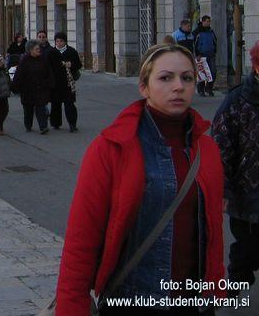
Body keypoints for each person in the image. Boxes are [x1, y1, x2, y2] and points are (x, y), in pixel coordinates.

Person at [55, 43, 224, 315]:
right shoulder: (112, 148)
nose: (178, 86)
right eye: (165, 78)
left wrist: (217, 292)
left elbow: (212, 234)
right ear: (144, 87)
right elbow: (81, 241)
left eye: (187, 78)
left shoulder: (207, 149)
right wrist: (71, 307)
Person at [211, 41, 259, 295]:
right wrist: (223, 190)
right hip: (248, 195)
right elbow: (220, 149)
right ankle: (236, 284)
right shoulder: (237, 101)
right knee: (246, 251)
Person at [11, 40, 54, 133]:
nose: (39, 50)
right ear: (30, 50)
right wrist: (15, 87)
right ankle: (28, 125)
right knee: (28, 109)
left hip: (40, 88)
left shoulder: (43, 59)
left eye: (39, 49)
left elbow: (49, 72)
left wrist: (49, 84)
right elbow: (19, 75)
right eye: (36, 49)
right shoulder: (24, 60)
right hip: (27, 90)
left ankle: (43, 127)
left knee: (41, 108)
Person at [50, 32, 82, 132]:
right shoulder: (52, 52)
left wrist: (70, 64)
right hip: (55, 82)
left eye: (61, 41)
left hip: (68, 82)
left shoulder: (71, 51)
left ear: (65, 42)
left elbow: (78, 64)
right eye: (57, 41)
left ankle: (72, 124)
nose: (59, 43)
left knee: (69, 104)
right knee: (55, 104)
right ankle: (55, 123)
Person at [194, 15, 217, 96]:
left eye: (209, 21)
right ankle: (201, 90)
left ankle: (209, 88)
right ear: (203, 22)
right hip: (201, 55)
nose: (208, 23)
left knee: (213, 72)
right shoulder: (197, 32)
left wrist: (214, 50)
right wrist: (197, 54)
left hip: (211, 55)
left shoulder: (211, 31)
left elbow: (214, 41)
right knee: (202, 73)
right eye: (207, 21)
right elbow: (195, 44)